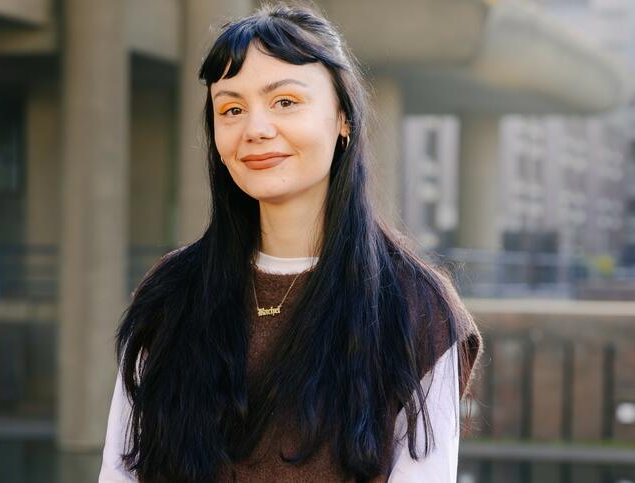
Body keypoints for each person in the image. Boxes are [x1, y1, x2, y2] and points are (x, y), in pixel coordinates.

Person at [99, 2, 483, 482]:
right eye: (231, 108)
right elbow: (121, 472)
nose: (256, 129)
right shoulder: (170, 296)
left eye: (285, 102)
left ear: (343, 118)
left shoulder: (416, 310)